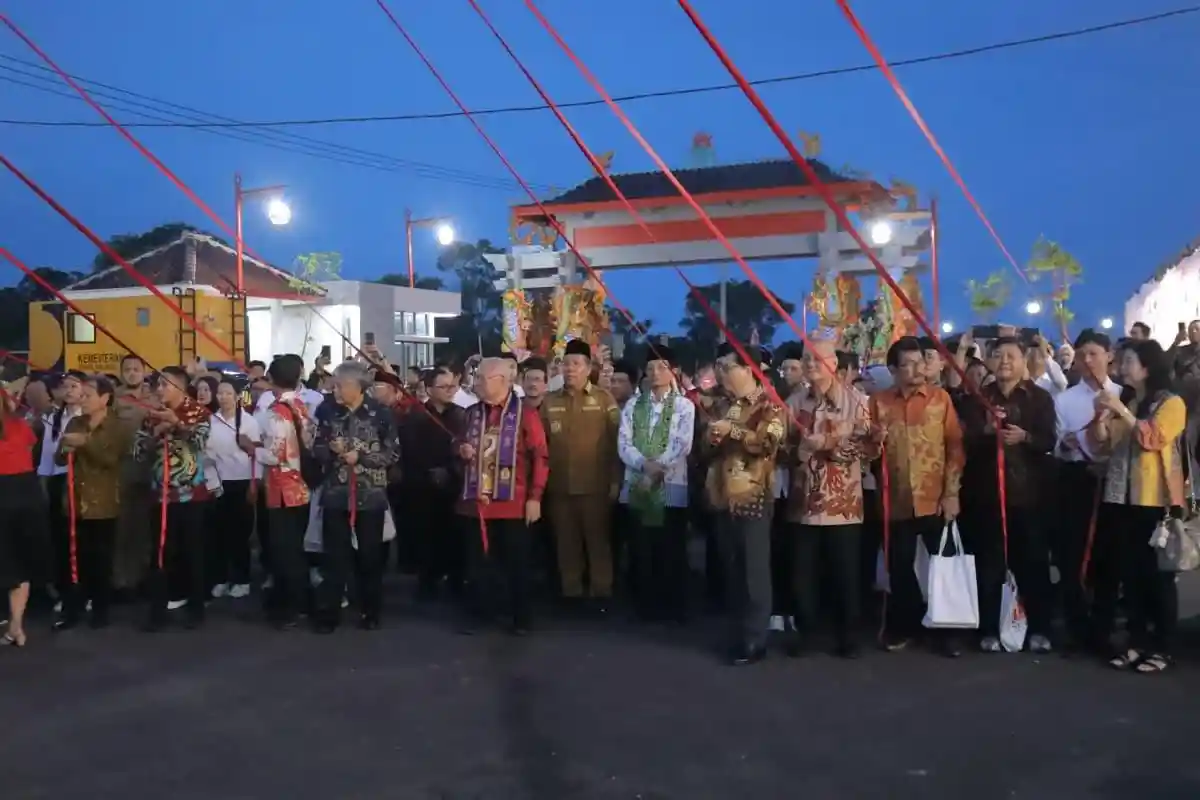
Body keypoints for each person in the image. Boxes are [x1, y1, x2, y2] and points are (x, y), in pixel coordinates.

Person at [1089, 339, 1186, 674]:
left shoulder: (1171, 403)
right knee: (1128, 576)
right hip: (1120, 499)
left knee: (1156, 578)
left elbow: (1152, 439)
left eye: (1128, 360)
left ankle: (1162, 646)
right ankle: (1135, 642)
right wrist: (1102, 419)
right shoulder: (1129, 400)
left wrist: (1122, 411)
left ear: (1147, 367)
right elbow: (1104, 444)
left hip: (1154, 502)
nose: (1121, 366)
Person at [956, 337, 1056, 653]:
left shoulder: (1039, 398)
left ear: (1024, 360)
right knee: (989, 565)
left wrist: (1024, 437)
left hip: (1029, 495)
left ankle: (1039, 628)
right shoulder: (977, 399)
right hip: (986, 496)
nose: (1004, 362)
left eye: (1011, 356)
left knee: (1033, 564)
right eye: (997, 356)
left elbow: (1048, 440)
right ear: (987, 361)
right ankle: (988, 629)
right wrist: (987, 432)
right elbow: (965, 441)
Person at [870, 337, 966, 656]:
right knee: (899, 567)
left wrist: (951, 492)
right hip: (895, 499)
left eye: (920, 361)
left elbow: (955, 447)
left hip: (935, 496)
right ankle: (907, 623)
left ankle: (949, 630)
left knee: (946, 565)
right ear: (893, 369)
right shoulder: (879, 403)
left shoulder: (941, 400)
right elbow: (868, 452)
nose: (917, 369)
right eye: (908, 363)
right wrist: (874, 442)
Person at [787, 337, 879, 659]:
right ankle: (806, 632)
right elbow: (783, 446)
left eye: (818, 359)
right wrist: (796, 451)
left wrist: (827, 443)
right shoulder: (796, 401)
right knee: (803, 575)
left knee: (845, 573)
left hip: (843, 503)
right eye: (806, 359)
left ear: (834, 364)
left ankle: (848, 635)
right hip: (804, 501)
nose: (811, 365)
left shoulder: (857, 401)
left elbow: (870, 448)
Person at [705, 342, 786, 666]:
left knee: (753, 572)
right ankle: (738, 632)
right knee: (732, 570)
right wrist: (710, 438)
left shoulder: (770, 405)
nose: (722, 373)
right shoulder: (723, 405)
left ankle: (755, 638)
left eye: (728, 367)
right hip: (722, 495)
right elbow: (707, 448)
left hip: (753, 495)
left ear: (748, 368)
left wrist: (733, 432)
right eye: (720, 367)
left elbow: (768, 444)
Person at [455, 357, 549, 635]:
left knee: (516, 565)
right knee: (478, 564)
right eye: (477, 377)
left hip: (513, 503)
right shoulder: (471, 413)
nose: (476, 383)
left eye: (482, 378)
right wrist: (460, 449)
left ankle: (521, 618)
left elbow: (541, 457)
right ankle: (482, 613)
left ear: (502, 382)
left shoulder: (526, 414)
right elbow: (456, 442)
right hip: (476, 504)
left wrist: (535, 497)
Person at [314, 361, 400, 632]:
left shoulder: (381, 414)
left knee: (370, 558)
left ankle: (370, 610)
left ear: (356, 386)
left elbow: (393, 453)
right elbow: (315, 447)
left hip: (370, 493)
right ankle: (330, 613)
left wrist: (361, 456)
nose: (335, 390)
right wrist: (329, 449)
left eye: (339, 385)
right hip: (336, 493)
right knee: (335, 557)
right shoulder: (326, 410)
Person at [540, 339, 621, 612]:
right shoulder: (549, 402)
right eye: (566, 364)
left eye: (576, 364)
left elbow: (616, 443)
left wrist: (614, 481)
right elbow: (540, 446)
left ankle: (602, 594)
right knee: (566, 543)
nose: (570, 369)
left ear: (588, 368)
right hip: (559, 487)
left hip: (595, 486)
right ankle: (571, 594)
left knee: (597, 542)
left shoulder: (603, 399)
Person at [1052, 328, 1119, 652]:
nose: (1088, 360)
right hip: (1077, 481)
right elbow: (1055, 447)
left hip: (1116, 484)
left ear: (1110, 356)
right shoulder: (1064, 400)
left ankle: (1104, 629)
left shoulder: (1125, 394)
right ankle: (1077, 628)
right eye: (1082, 355)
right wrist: (1065, 446)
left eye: (1095, 353)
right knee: (1073, 556)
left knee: (1108, 559)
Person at [617, 345, 695, 622]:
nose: (655, 373)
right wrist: (644, 466)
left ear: (673, 371)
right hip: (637, 482)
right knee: (641, 546)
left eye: (662, 367)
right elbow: (624, 443)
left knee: (671, 546)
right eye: (650, 368)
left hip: (671, 485)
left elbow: (682, 445)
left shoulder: (685, 406)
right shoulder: (633, 405)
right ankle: (644, 606)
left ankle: (673, 607)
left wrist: (657, 470)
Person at [133, 366, 212, 631]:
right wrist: (156, 432)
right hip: (160, 496)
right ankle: (158, 611)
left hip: (192, 495)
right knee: (159, 553)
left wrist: (177, 424)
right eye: (158, 385)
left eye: (165, 385)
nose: (159, 389)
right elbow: (138, 453)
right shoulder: (151, 416)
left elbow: (201, 443)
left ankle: (196, 607)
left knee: (193, 553)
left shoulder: (199, 412)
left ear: (180, 386)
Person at [52, 376, 128, 630]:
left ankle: (101, 611)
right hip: (74, 502)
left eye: (87, 395)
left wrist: (84, 442)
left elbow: (109, 458)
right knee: (74, 560)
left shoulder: (117, 426)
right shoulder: (75, 421)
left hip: (104, 502)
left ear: (105, 398)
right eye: (80, 394)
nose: (82, 399)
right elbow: (60, 458)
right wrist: (65, 447)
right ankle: (73, 611)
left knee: (100, 561)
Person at [253, 356, 316, 630]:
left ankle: (289, 606)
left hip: (282, 489)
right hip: (302, 486)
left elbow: (274, 454)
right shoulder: (301, 406)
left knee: (283, 550)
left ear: (270, 379)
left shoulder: (276, 412)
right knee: (294, 549)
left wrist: (250, 447)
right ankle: (300, 602)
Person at [401, 365, 466, 602]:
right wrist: (429, 471)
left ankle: (457, 580)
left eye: (453, 386)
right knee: (425, 535)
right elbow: (409, 450)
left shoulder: (463, 415)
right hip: (423, 485)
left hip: (455, 484)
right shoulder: (415, 416)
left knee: (455, 536)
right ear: (428, 389)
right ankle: (427, 581)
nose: (450, 390)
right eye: (443, 386)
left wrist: (451, 470)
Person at [0, 388, 47, 647]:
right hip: (26, 495)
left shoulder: (19, 424)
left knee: (11, 562)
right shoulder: (20, 425)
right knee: (19, 563)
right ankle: (16, 625)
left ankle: (15, 626)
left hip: (7, 496)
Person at [206, 378, 261, 600]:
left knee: (240, 534)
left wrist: (254, 483)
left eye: (228, 393)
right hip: (218, 482)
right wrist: (211, 481)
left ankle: (242, 579)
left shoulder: (249, 422)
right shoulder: (211, 420)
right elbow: (206, 455)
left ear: (237, 396)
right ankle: (220, 578)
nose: (223, 397)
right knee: (218, 533)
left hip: (242, 481)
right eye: (220, 393)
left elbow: (257, 454)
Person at [40, 371, 83, 613]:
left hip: (81, 481)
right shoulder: (53, 418)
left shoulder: (89, 417)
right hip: (58, 480)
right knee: (61, 538)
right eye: (65, 386)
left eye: (74, 386)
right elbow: (47, 456)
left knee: (81, 538)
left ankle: (83, 590)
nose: (69, 391)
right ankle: (65, 590)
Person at [113, 355, 155, 592]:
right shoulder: (114, 400)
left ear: (144, 371)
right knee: (123, 527)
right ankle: (121, 580)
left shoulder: (155, 398)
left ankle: (144, 578)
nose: (132, 373)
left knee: (146, 526)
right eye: (127, 369)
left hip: (150, 469)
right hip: (123, 469)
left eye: (136, 369)